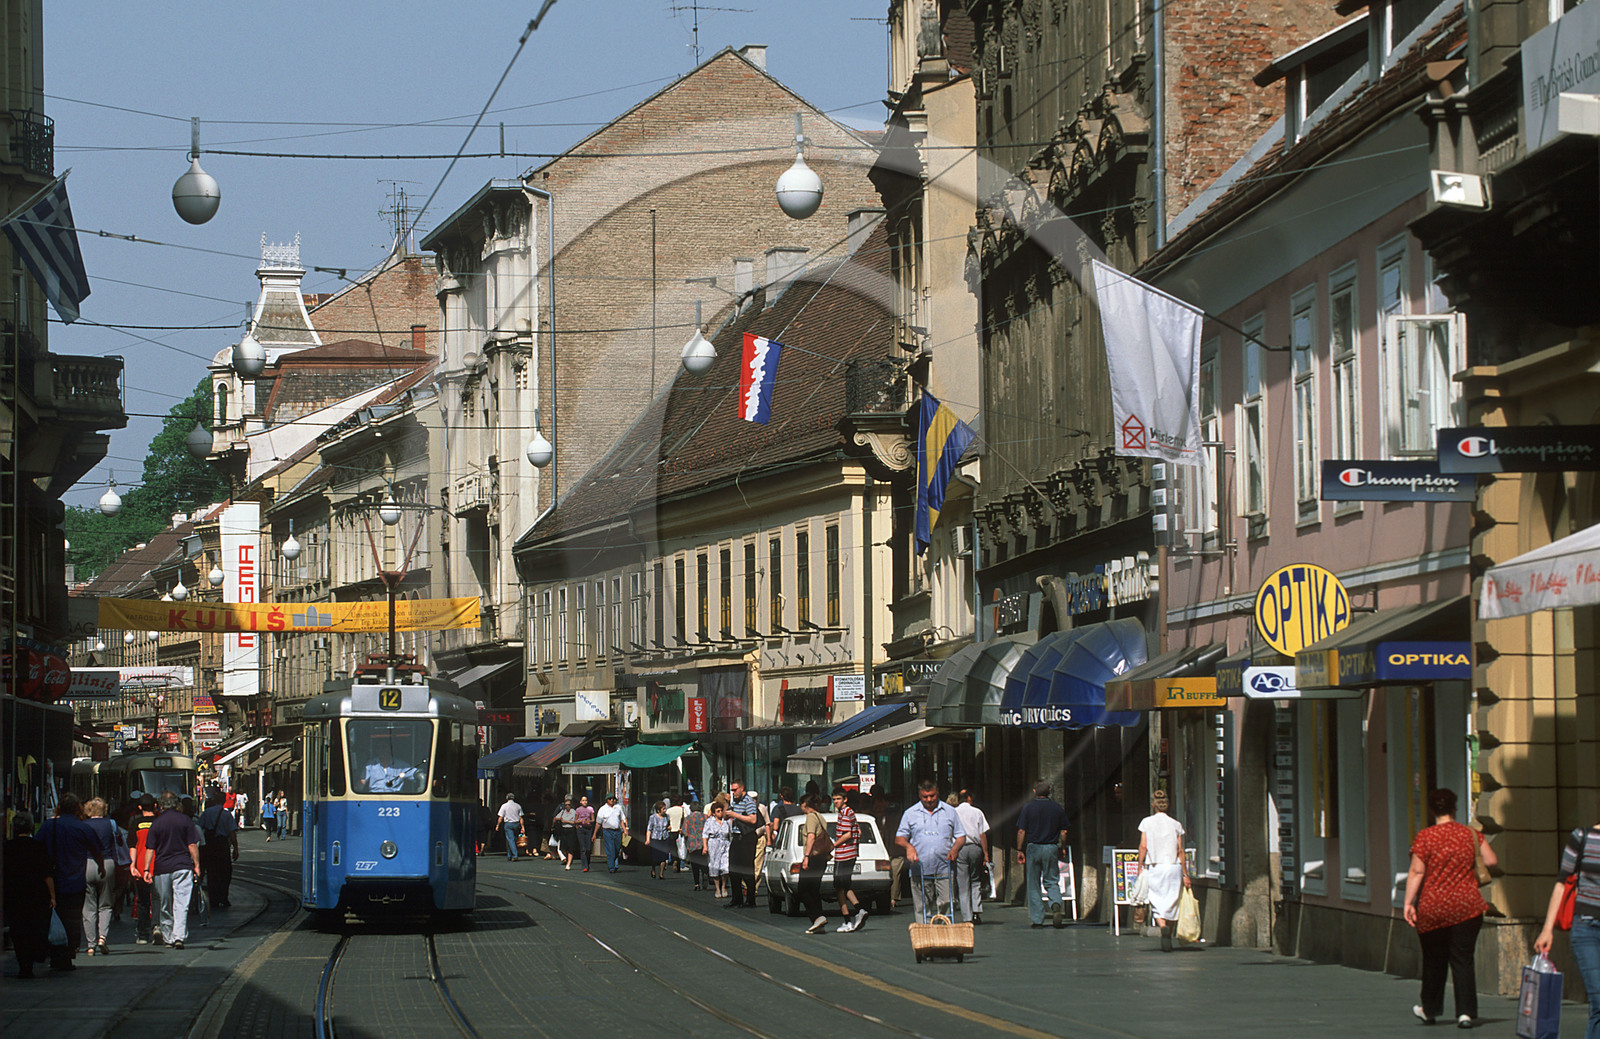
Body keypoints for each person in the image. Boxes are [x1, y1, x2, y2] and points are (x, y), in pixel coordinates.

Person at [1404, 787, 1494, 1028]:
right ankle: (1465, 1013)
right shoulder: (1470, 834)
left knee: (1434, 960)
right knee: (1463, 959)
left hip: (1433, 907)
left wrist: (1408, 903)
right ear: (1454, 808)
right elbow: (1491, 860)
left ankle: (1430, 1010)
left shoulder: (1425, 837)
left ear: (1432, 810)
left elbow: (1417, 871)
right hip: (1467, 906)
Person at [1536, 816, 1600, 1039]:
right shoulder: (1582, 837)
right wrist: (1547, 929)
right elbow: (1562, 883)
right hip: (1586, 928)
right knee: (1599, 999)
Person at [37, 792, 103, 971]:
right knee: (72, 920)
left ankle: (54, 953)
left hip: (52, 881)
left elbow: (37, 847)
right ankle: (68, 953)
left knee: (52, 918)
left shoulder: (49, 826)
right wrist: (101, 867)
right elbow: (97, 850)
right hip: (75, 882)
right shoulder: (82, 828)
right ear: (78, 808)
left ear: (59, 808)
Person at [896, 780, 965, 921]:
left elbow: (961, 836)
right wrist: (909, 847)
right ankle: (924, 930)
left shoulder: (950, 811)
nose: (929, 800)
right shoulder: (910, 813)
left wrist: (955, 849)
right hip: (920, 866)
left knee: (946, 902)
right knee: (922, 905)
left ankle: (943, 928)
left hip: (944, 866)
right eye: (925, 797)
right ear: (919, 795)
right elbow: (899, 838)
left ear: (937, 793)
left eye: (932, 796)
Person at [144, 790, 202, 950]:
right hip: (183, 866)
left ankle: (168, 936)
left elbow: (150, 848)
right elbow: (192, 845)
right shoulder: (185, 821)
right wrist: (196, 865)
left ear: (160, 806)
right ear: (177, 804)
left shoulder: (157, 823)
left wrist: (146, 869)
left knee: (165, 903)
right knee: (181, 903)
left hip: (162, 868)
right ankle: (179, 937)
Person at [1137, 789, 1189, 951]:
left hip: (1156, 867)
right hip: (1173, 867)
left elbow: (1143, 846)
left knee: (1157, 901)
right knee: (1173, 901)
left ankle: (1162, 926)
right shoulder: (1176, 824)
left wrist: (1140, 865)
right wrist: (1185, 874)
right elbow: (1180, 851)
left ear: (1153, 805)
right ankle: (1169, 931)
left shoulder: (1146, 822)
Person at [5, 810, 55, 978]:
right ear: (31, 827)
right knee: (35, 928)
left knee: (18, 930)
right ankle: (32, 959)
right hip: (36, 895)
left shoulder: (7, 848)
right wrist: (52, 895)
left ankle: (23, 964)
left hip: (13, 895)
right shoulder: (38, 847)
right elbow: (47, 874)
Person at [1015, 780, 1071, 928]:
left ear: (1034, 791)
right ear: (1050, 791)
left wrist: (1019, 849)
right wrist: (1062, 847)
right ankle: (1056, 904)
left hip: (1033, 847)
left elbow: (1021, 831)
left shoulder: (1028, 808)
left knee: (1033, 883)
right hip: (1051, 847)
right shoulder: (1057, 808)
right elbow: (1064, 832)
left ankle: (1038, 919)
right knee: (1052, 880)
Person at [81, 797, 119, 955]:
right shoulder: (111, 824)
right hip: (107, 863)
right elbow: (118, 842)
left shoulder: (83, 825)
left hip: (87, 864)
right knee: (105, 904)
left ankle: (90, 944)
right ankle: (102, 937)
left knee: (88, 906)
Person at [832, 785, 868, 932]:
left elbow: (848, 834)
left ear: (845, 799)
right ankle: (859, 910)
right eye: (834, 799)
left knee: (839, 887)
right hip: (850, 853)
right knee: (844, 886)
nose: (836, 802)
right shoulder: (849, 813)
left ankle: (848, 920)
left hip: (844, 854)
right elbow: (858, 831)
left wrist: (834, 845)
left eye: (838, 799)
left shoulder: (846, 813)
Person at [795, 793, 832, 934]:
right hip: (821, 858)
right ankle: (818, 921)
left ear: (805, 804)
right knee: (814, 890)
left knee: (802, 889)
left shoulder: (811, 817)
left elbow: (811, 837)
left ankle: (817, 917)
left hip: (813, 858)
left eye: (801, 804)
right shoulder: (821, 817)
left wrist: (806, 857)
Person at [954, 789, 992, 924]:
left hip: (960, 848)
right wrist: (986, 853)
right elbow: (982, 834)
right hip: (975, 848)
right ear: (969, 798)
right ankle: (976, 911)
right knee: (975, 880)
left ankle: (967, 916)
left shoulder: (954, 812)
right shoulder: (977, 812)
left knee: (963, 882)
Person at [198, 788, 240, 909]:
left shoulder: (206, 813)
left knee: (212, 872)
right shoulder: (226, 814)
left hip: (209, 844)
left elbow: (199, 827)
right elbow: (232, 832)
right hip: (222, 845)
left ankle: (213, 898)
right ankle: (223, 896)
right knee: (225, 872)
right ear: (224, 801)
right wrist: (235, 848)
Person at [726, 780, 761, 908]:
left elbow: (753, 819)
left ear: (742, 788)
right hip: (736, 837)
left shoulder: (748, 801)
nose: (733, 792)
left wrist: (735, 815)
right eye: (732, 790)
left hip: (747, 838)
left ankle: (750, 899)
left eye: (735, 790)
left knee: (747, 869)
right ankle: (737, 898)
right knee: (733, 869)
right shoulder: (734, 801)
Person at [129, 793, 157, 943]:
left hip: (140, 866)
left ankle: (143, 934)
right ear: (155, 806)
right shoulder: (159, 822)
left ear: (140, 807)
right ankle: (158, 927)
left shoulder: (136, 823)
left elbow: (132, 846)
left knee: (143, 901)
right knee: (159, 899)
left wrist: (132, 864)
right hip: (157, 865)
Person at [704, 801, 732, 900]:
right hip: (714, 844)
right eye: (718, 811)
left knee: (725, 866)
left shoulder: (727, 821)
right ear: (714, 813)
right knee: (715, 866)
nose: (720, 813)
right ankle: (717, 888)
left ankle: (723, 886)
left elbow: (730, 833)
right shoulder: (709, 822)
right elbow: (705, 834)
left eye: (721, 811)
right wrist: (705, 847)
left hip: (725, 844)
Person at [595, 793, 628, 873]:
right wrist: (594, 834)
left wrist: (625, 829)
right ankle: (612, 867)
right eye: (610, 799)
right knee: (610, 849)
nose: (612, 800)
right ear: (607, 800)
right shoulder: (602, 809)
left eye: (613, 799)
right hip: (607, 831)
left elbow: (622, 819)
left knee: (617, 848)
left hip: (617, 831)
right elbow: (598, 823)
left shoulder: (618, 807)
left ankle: (614, 863)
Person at [684, 801, 709, 890]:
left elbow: (685, 832)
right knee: (703, 861)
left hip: (692, 844)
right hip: (703, 843)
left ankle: (696, 884)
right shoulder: (705, 817)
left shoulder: (688, 819)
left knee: (695, 865)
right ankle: (705, 872)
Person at [647, 801, 674, 879]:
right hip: (656, 838)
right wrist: (648, 839)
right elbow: (649, 829)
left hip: (664, 838)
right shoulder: (652, 817)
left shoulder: (667, 816)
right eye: (663, 809)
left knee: (664, 856)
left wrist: (669, 827)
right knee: (655, 857)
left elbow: (668, 825)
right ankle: (653, 869)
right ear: (658, 810)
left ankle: (661, 873)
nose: (665, 810)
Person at [497, 793, 525, 861]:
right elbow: (521, 817)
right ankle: (509, 855)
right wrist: (522, 826)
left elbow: (500, 817)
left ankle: (515, 855)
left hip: (508, 824)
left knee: (510, 839)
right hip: (516, 824)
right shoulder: (518, 806)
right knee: (513, 839)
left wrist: (497, 825)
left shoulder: (504, 806)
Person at [554, 796, 579, 870]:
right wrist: (560, 819)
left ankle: (568, 864)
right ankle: (568, 858)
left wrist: (566, 821)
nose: (567, 806)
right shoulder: (563, 811)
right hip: (564, 830)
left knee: (570, 848)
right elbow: (556, 817)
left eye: (568, 805)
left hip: (571, 830)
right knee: (563, 848)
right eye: (566, 805)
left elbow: (574, 822)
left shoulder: (573, 812)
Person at [574, 795, 596, 872]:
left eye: (586, 800)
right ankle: (584, 866)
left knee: (588, 848)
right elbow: (575, 820)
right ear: (580, 802)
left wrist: (588, 821)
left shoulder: (590, 809)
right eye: (583, 800)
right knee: (583, 848)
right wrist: (580, 821)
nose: (584, 802)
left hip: (588, 829)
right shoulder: (578, 810)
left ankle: (588, 863)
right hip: (581, 829)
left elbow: (593, 819)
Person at [667, 793, 688, 872]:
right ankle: (681, 864)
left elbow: (666, 821)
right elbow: (686, 820)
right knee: (681, 847)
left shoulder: (668, 810)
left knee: (673, 848)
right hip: (680, 831)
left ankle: (674, 860)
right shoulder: (682, 810)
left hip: (671, 831)